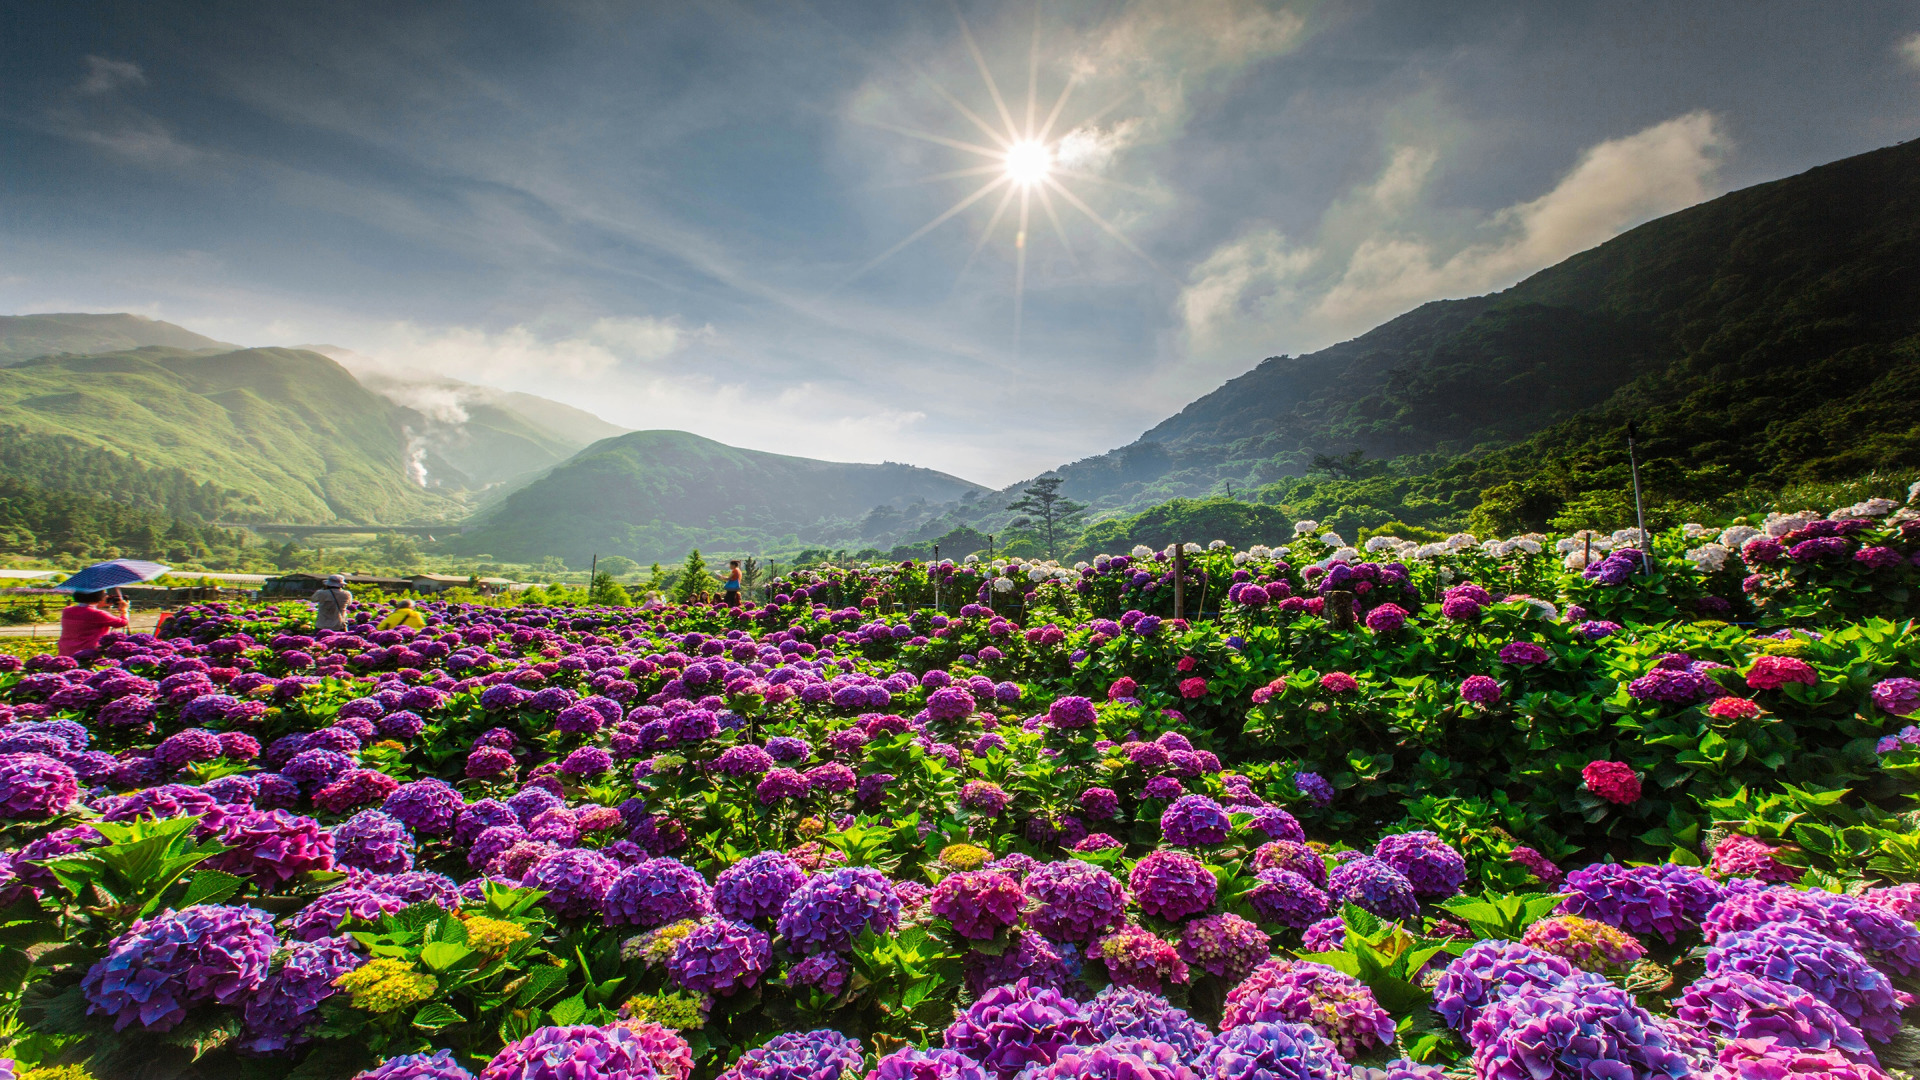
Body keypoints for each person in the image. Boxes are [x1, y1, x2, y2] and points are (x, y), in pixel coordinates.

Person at [58, 588, 129, 657]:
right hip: (87, 653)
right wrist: (124, 610)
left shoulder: (67, 610)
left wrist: (98, 605)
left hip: (66, 650)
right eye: (104, 594)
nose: (107, 596)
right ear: (98, 596)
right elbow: (122, 622)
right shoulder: (98, 614)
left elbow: (85, 610)